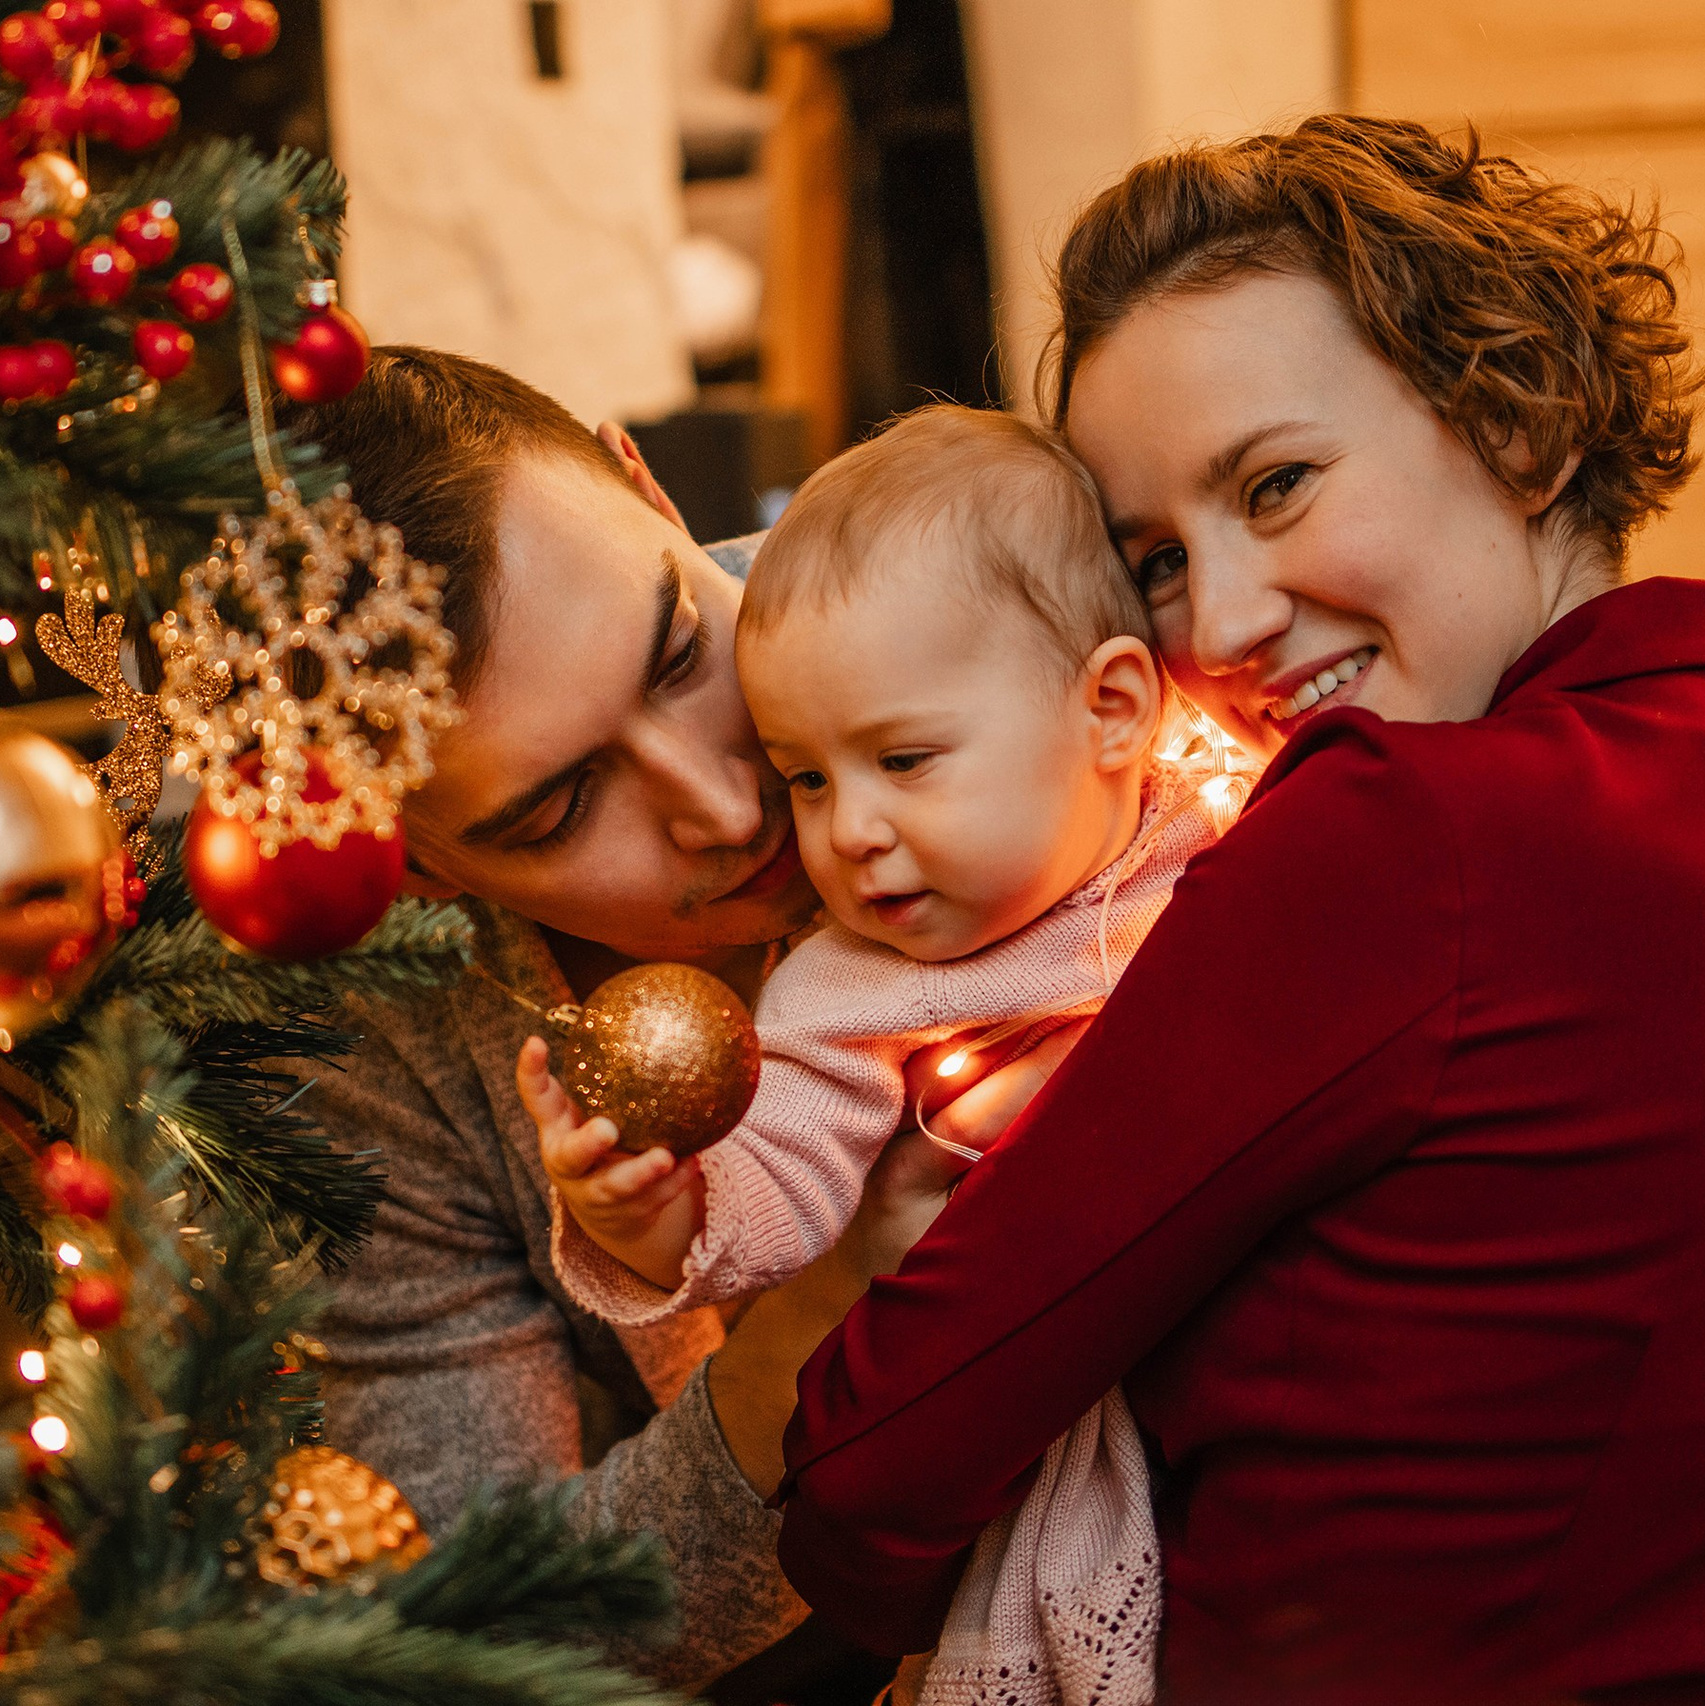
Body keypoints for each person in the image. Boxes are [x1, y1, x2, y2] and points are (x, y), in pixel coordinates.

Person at [775, 115, 1705, 1705]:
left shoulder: (1397, 833)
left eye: (1275, 484)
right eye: (1149, 558)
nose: (1221, 622)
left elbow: (864, 1472)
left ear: (1521, 414)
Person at [284, 349, 1054, 1695]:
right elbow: (495, 1629)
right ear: (420, 867)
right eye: (558, 808)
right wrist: (827, 1327)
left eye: (680, 649)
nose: (724, 806)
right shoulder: (378, 1045)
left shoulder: (987, 598)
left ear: (644, 483)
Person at [528, 405, 1224, 1703]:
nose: (843, 832)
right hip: (1064, 1453)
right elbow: (784, 1174)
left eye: (903, 760)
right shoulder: (855, 984)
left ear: (1115, 707)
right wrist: (658, 1210)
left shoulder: (1224, 823)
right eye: (805, 775)